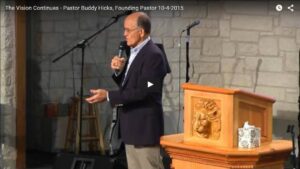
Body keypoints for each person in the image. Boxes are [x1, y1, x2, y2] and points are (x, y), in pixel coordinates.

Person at [86, 12, 170, 169]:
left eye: (127, 30)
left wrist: (108, 95)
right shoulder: (135, 52)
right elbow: (133, 85)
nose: (124, 34)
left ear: (141, 32)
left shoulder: (154, 55)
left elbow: (144, 90)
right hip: (132, 127)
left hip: (144, 129)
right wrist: (119, 72)